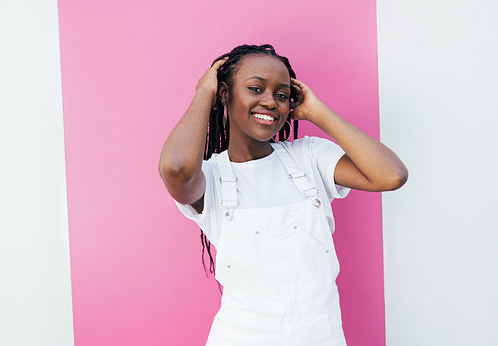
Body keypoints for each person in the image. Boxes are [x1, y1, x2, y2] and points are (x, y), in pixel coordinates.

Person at [159, 44, 408, 346]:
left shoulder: (310, 156)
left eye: (281, 94)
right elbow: (175, 169)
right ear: (224, 94)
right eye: (255, 88)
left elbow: (391, 175)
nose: (270, 102)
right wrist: (203, 94)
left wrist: (318, 112)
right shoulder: (210, 177)